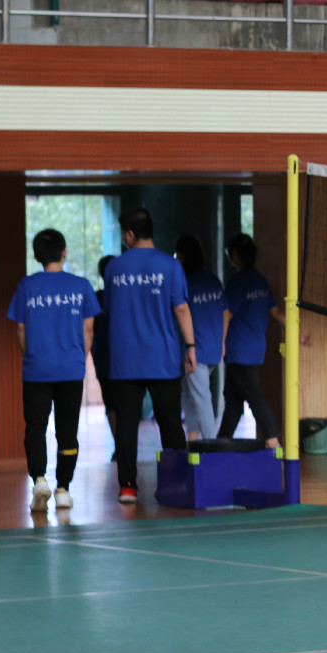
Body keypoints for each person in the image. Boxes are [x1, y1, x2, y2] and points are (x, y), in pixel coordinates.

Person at [105, 208, 196, 504]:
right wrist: (191, 346)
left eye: (123, 233)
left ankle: (128, 487)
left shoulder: (114, 267)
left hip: (125, 359)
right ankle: (177, 482)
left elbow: (111, 308)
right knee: (170, 423)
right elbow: (181, 308)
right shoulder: (171, 266)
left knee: (127, 425)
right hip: (163, 357)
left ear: (130, 234)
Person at [7, 228, 101, 513]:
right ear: (64, 252)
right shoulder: (82, 286)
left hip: (36, 369)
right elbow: (88, 329)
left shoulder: (26, 286)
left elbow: (20, 329)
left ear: (36, 256)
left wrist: (32, 355)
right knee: (67, 430)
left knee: (35, 427)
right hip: (71, 369)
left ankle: (39, 480)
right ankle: (63, 489)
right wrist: (78, 357)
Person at [217, 233, 292, 446]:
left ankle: (273, 442)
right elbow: (276, 312)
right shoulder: (260, 281)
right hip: (255, 349)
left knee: (254, 396)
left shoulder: (237, 282)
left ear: (234, 255)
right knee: (233, 401)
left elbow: (226, 314)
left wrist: (220, 343)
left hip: (239, 350)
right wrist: (298, 331)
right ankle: (220, 444)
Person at [174, 234, 225, 442]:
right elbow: (224, 311)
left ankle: (211, 446)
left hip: (197, 350)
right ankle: (193, 440)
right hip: (213, 348)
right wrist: (222, 342)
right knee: (188, 394)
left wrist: (190, 347)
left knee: (201, 398)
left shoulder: (186, 283)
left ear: (182, 256)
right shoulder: (213, 279)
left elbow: (181, 312)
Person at [93, 255, 117, 456]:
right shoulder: (98, 297)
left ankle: (121, 445)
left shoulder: (97, 298)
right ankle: (123, 445)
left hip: (104, 357)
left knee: (112, 404)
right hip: (110, 358)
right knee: (118, 404)